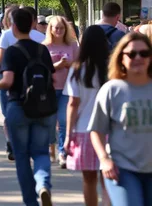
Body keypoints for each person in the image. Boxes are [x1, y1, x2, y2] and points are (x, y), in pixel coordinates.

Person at [0, 8, 56, 206]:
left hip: (18, 106)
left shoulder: (12, 51)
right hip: (43, 107)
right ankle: (43, 184)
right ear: (32, 25)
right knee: (41, 152)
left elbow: (8, 80)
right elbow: (51, 77)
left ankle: (31, 201)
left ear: (13, 26)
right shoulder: (41, 49)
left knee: (21, 157)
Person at [89, 32, 152, 206]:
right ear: (121, 58)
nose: (138, 58)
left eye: (144, 53)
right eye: (132, 54)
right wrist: (104, 159)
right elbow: (96, 130)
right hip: (122, 169)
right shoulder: (112, 90)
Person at [64, 25, 110, 206]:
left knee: (88, 179)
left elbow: (73, 104)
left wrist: (68, 135)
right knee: (108, 179)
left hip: (84, 129)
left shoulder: (77, 71)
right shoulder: (112, 70)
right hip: (109, 131)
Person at [0, 6, 45, 161]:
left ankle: (13, 142)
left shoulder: (7, 35)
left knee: (9, 114)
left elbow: (0, 59)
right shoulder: (41, 38)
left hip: (10, 81)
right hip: (35, 82)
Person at [43, 16, 79, 168]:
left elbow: (80, 66)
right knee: (50, 122)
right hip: (49, 89)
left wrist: (70, 64)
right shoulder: (44, 46)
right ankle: (51, 149)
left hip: (67, 89)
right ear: (50, 29)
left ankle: (62, 153)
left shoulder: (73, 45)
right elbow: (42, 69)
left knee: (64, 121)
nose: (58, 31)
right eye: (56, 28)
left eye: (61, 28)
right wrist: (57, 65)